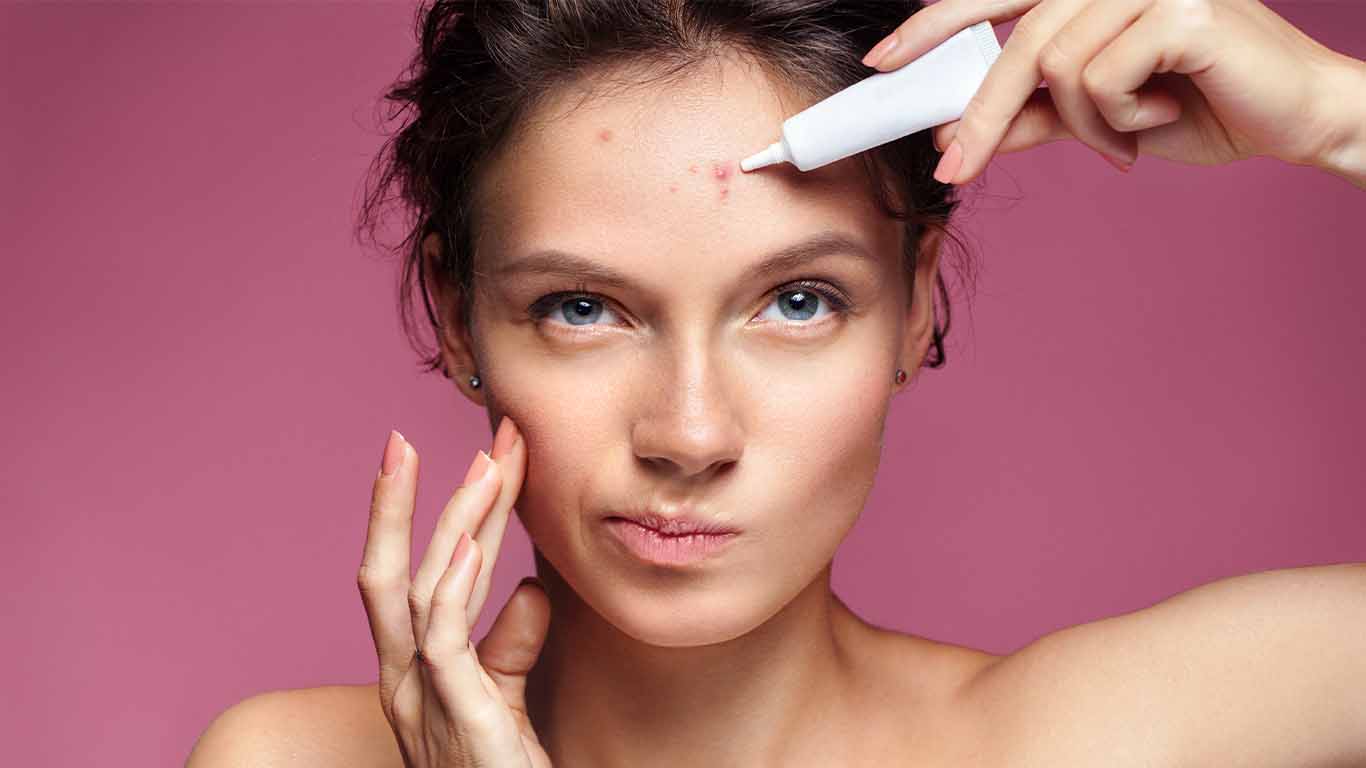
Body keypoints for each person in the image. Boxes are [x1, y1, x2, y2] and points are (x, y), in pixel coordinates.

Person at [187, 0, 1366, 766]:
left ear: (914, 308)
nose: (690, 433)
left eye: (797, 301)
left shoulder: (1099, 741)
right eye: (583, 308)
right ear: (456, 314)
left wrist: (1339, 116)